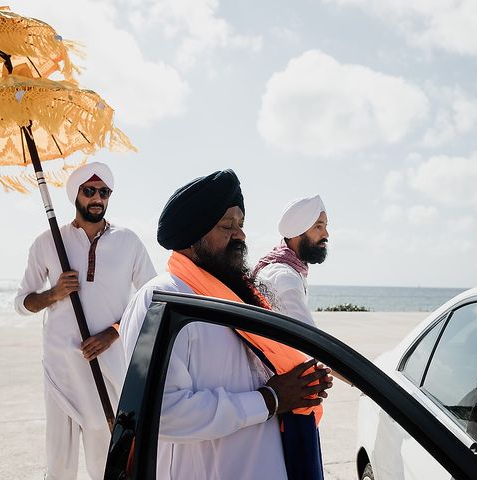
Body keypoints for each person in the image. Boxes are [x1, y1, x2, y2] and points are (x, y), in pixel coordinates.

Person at [120, 169, 333, 480]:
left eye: (241, 225)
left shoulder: (236, 297)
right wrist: (269, 400)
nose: (241, 235)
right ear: (193, 237)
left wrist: (301, 382)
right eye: (227, 226)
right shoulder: (164, 299)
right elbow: (162, 412)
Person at [14, 162, 157, 480]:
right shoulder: (48, 242)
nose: (97, 198)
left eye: (103, 192)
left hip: (107, 369)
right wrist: (54, 293)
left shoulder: (128, 242)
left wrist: (113, 332)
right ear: (75, 195)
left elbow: (151, 300)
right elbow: (22, 303)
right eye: (89, 191)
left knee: (103, 465)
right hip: (60, 369)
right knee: (61, 466)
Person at [254, 195, 329, 327]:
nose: (326, 234)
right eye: (318, 227)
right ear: (298, 231)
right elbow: (307, 339)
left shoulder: (291, 269)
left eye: (325, 226)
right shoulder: (285, 278)